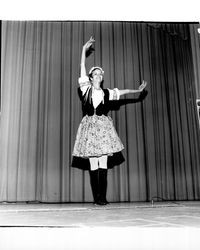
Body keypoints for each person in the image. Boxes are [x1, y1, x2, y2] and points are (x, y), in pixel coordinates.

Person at [72, 37, 147, 205]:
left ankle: (102, 198)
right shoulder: (85, 89)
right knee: (93, 163)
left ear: (102, 77)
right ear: (90, 78)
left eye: (100, 74)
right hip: (90, 128)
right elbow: (82, 67)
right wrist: (84, 49)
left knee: (103, 162)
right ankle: (96, 197)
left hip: (104, 129)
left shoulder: (107, 93)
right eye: (95, 74)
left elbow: (124, 91)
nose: (98, 75)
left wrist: (137, 90)